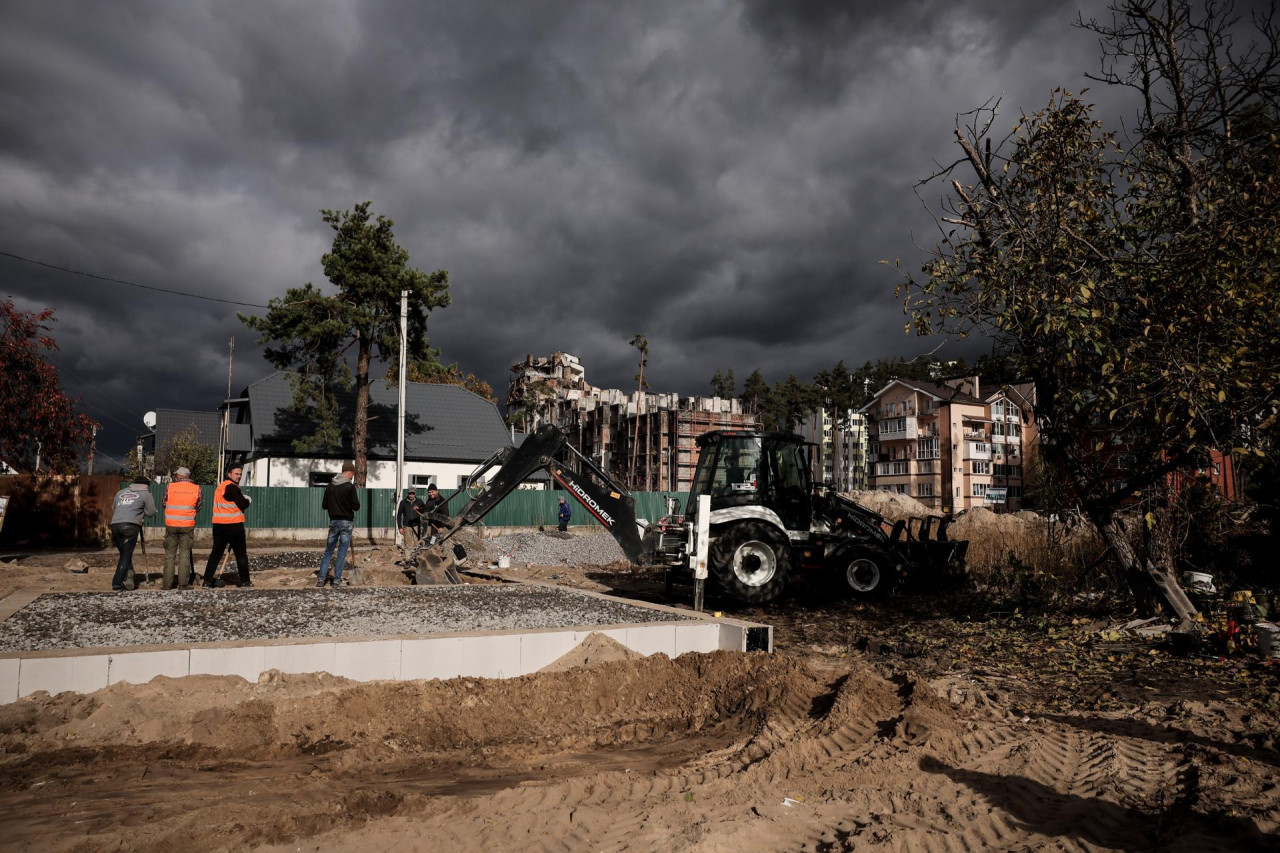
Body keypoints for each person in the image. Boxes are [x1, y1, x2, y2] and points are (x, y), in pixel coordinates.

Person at [202, 465, 252, 588]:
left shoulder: (220, 487)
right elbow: (242, 504)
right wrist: (247, 500)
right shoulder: (232, 487)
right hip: (234, 526)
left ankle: (207, 581)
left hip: (219, 526)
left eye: (240, 474)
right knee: (241, 554)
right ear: (229, 474)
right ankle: (245, 581)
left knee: (216, 554)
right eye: (236, 474)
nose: (239, 476)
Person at [318, 461, 360, 587]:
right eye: (352, 475)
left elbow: (324, 505)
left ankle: (321, 579)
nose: (352, 478)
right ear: (349, 472)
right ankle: (336, 580)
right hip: (346, 522)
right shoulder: (350, 487)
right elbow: (356, 506)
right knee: (342, 552)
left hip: (334, 521)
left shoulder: (330, 486)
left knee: (328, 551)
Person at [110, 477, 156, 591]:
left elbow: (114, 508)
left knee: (124, 554)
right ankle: (117, 583)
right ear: (146, 485)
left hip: (115, 524)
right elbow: (151, 512)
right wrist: (140, 512)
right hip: (130, 525)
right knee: (126, 555)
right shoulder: (146, 494)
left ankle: (129, 574)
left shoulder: (120, 492)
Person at [162, 466, 202, 589]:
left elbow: (164, 503)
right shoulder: (197, 488)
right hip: (187, 526)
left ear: (179, 476)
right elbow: (198, 506)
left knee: (169, 555)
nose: (175, 476)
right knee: (184, 554)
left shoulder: (170, 487)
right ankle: (183, 584)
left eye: (176, 475)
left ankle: (167, 585)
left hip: (171, 525)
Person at [396, 488, 425, 558]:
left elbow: (424, 510)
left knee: (417, 543)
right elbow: (399, 515)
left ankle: (416, 558)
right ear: (408, 494)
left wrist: (418, 508)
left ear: (415, 494)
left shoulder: (419, 502)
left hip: (416, 526)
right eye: (410, 494)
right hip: (406, 526)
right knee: (408, 544)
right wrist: (400, 527)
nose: (411, 495)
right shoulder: (403, 502)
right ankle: (408, 560)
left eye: (413, 493)